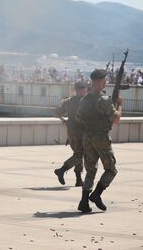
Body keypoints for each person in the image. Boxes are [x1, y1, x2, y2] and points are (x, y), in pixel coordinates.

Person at [77, 69, 121, 213]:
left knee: (90, 170)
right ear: (100, 81)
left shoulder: (85, 99)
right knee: (111, 169)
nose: (106, 82)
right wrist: (119, 105)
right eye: (104, 80)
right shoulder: (104, 100)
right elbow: (116, 118)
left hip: (87, 136)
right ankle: (96, 194)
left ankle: (84, 201)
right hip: (101, 137)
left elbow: (79, 117)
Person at [53, 81, 89, 187]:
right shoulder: (85, 101)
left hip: (70, 131)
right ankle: (62, 170)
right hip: (81, 132)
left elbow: (57, 111)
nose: (83, 90)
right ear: (84, 90)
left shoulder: (68, 101)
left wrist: (63, 120)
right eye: (83, 89)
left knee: (77, 154)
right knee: (79, 154)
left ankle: (78, 180)